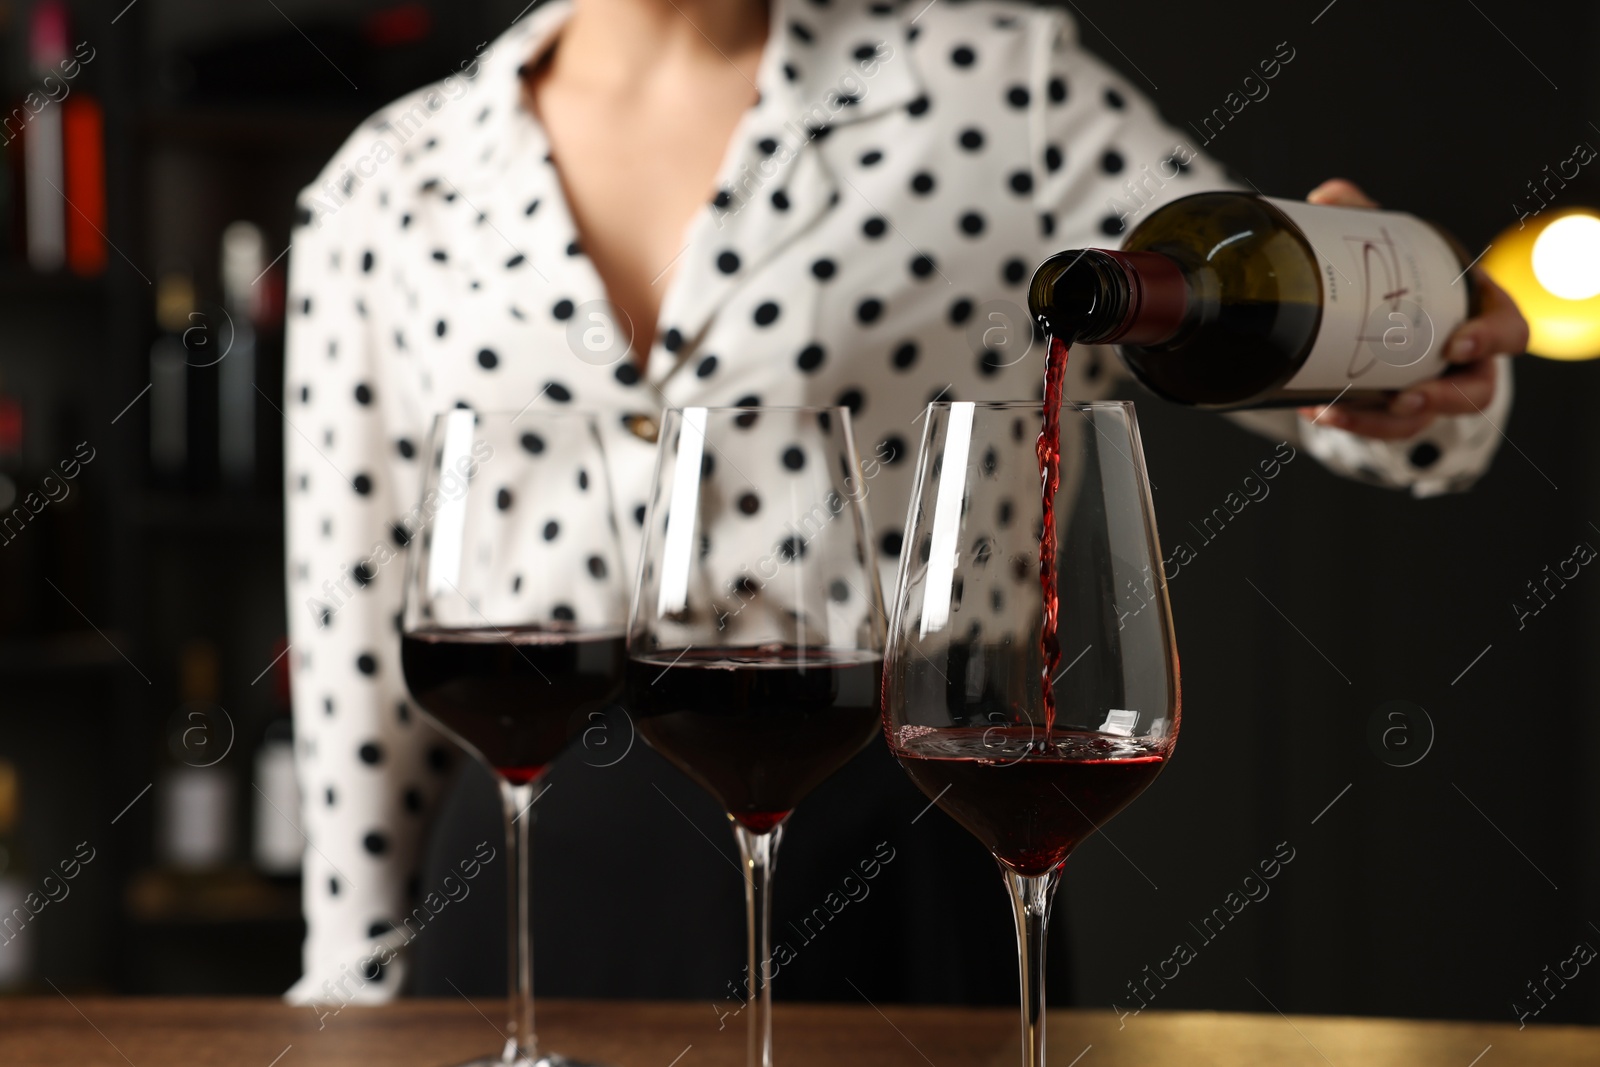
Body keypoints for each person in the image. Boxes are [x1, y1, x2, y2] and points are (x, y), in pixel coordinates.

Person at [281, 0, 1528, 1004]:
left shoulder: (998, 84)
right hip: (521, 884)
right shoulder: (390, 182)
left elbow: (1287, 355)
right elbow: (346, 631)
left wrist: (1413, 366)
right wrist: (347, 992)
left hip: (901, 852)